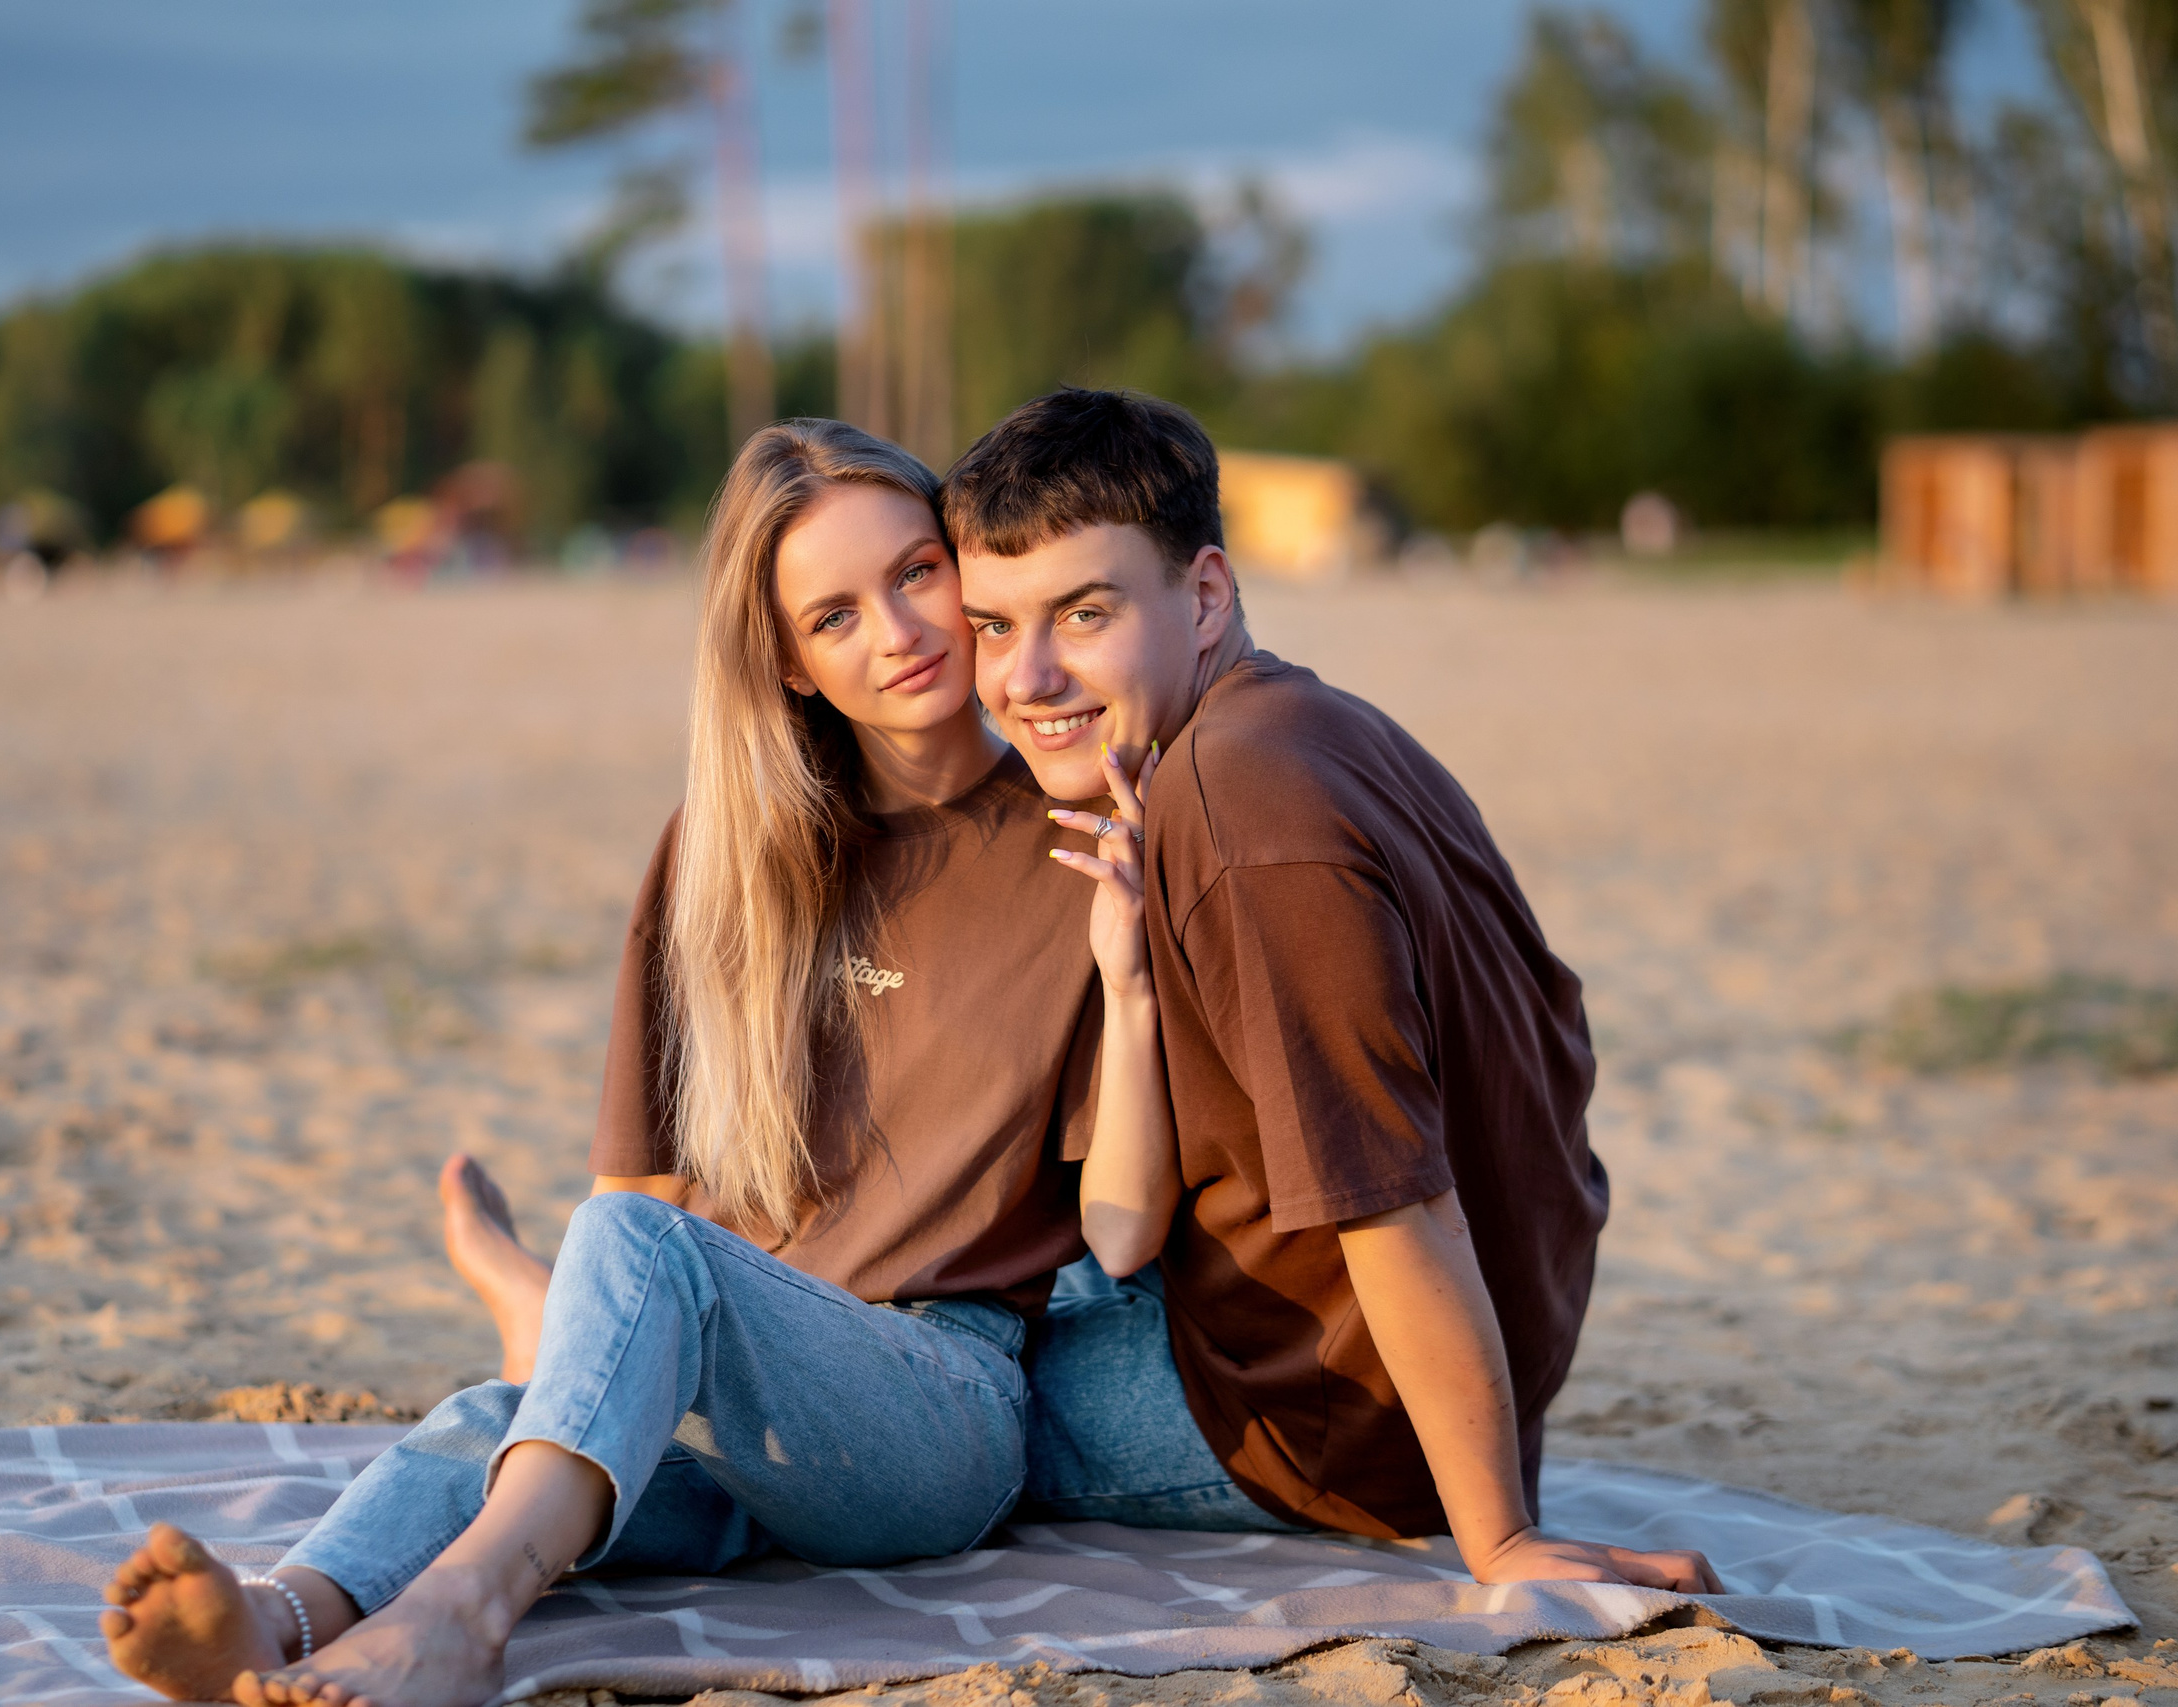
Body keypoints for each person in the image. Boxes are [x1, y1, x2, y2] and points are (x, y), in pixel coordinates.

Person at [97, 418, 1181, 1707]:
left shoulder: (1077, 840)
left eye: (914, 573)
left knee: (623, 1256)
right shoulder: (725, 858)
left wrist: (1129, 985)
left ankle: (464, 1612)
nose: (897, 632)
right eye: (832, 616)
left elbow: (1117, 1236)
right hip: (732, 1392)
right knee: (485, 1430)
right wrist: (591, 1365)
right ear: (785, 664)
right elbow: (656, 1194)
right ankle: (283, 1620)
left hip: (937, 1403)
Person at [943, 387, 1719, 1592]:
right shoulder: (1301, 722)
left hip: (1318, 1432)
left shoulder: (1246, 817)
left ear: (1203, 596)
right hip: (1414, 1364)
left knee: (900, 1393)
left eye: (1081, 615)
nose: (1026, 679)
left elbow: (1394, 1204)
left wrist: (1498, 1539)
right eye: (991, 627)